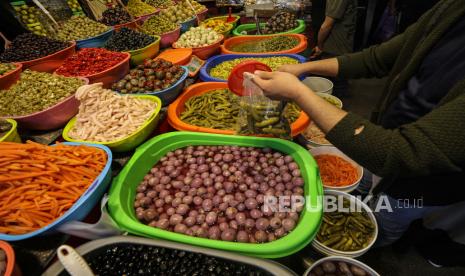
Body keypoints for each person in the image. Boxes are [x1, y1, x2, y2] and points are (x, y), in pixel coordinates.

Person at [249, 0, 465, 250]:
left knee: (385, 219)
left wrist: (299, 93)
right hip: (386, 135)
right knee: (367, 188)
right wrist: (304, 68)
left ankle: (377, 249)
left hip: (429, 178)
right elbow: (376, 58)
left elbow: (401, 152)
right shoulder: (451, 9)